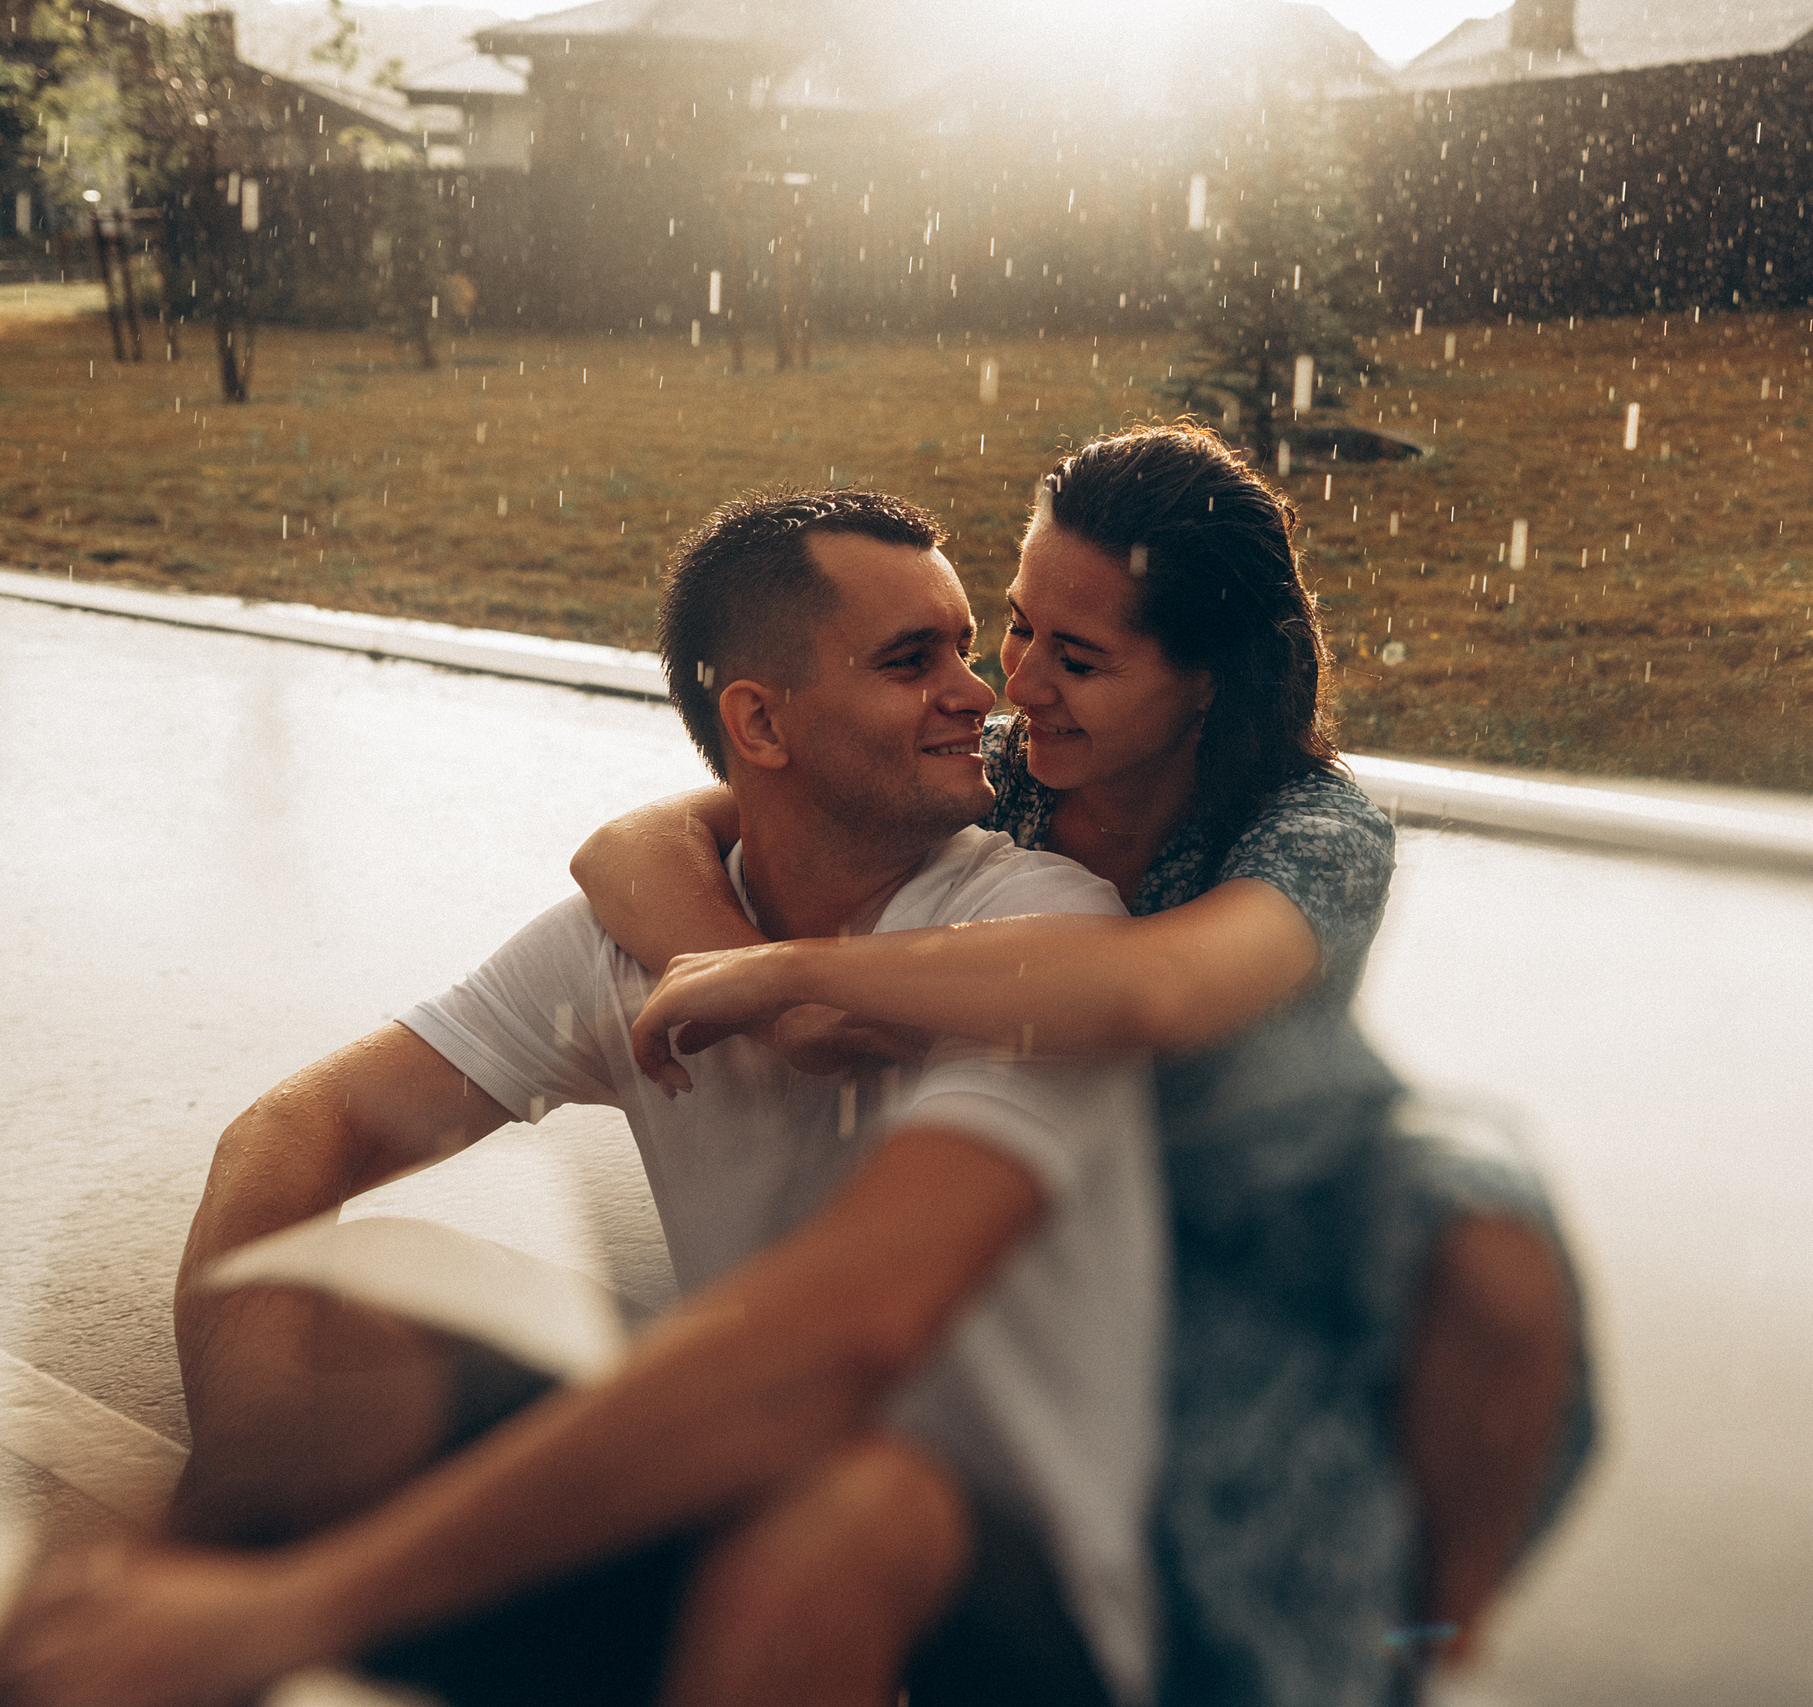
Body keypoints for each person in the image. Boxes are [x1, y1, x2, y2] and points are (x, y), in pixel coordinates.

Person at [0, 490, 1164, 1707]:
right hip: (760, 1489)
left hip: (1021, 1605)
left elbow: (841, 1338)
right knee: (345, 1321)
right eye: (913, 660)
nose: (979, 692)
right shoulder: (635, 939)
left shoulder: (1037, 932)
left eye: (964, 648)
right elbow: (299, 1129)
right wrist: (246, 1472)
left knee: (847, 1506)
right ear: (759, 722)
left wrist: (282, 1611)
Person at [574, 424, 1594, 1707]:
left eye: (1080, 658)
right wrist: (756, 992)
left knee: (1484, 1239)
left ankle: (1436, 1629)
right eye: (1019, 628)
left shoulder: (1315, 833)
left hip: (1259, 1193)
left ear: (1206, 680)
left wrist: (798, 976)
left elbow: (1155, 991)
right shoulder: (1004, 779)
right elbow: (628, 848)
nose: (1018, 683)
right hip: (1046, 1171)